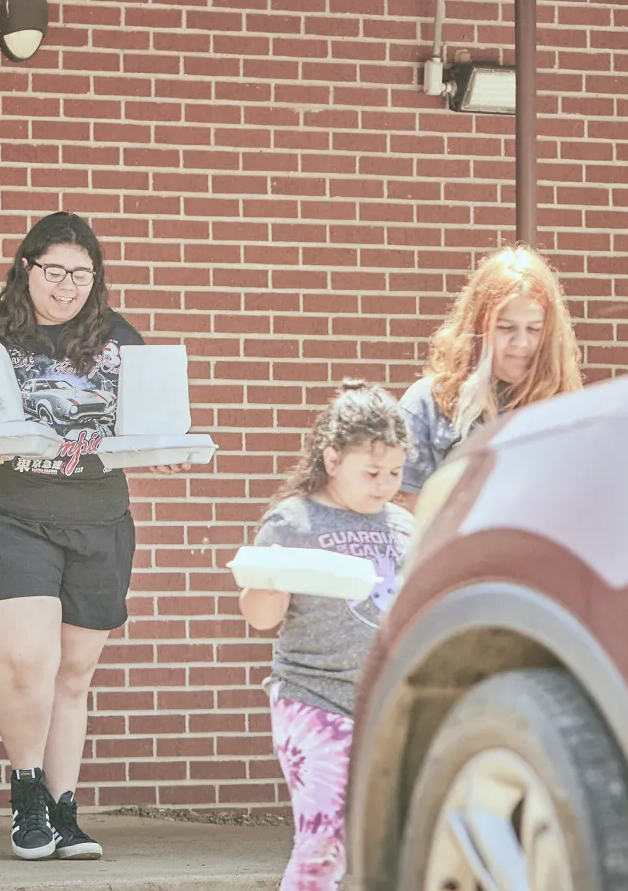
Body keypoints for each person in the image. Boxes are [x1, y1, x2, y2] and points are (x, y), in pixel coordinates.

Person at [0, 211, 189, 862]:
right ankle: (27, 793)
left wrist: (166, 449)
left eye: (80, 274)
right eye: (54, 271)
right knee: (28, 662)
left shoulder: (120, 339)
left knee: (73, 672)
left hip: (96, 520)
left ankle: (66, 811)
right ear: (27, 268)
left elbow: (146, 427)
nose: (66, 286)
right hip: (0, 516)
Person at [238, 380, 415, 891]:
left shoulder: (402, 524)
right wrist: (267, 579)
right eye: (372, 472)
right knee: (324, 841)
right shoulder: (293, 521)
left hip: (389, 703)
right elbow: (260, 617)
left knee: (395, 842)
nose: (385, 484)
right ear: (333, 458)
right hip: (313, 700)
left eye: (395, 473)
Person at [399, 244, 584, 499]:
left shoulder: (565, 409)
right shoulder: (428, 404)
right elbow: (407, 516)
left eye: (534, 329)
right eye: (506, 328)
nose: (521, 343)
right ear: (478, 328)